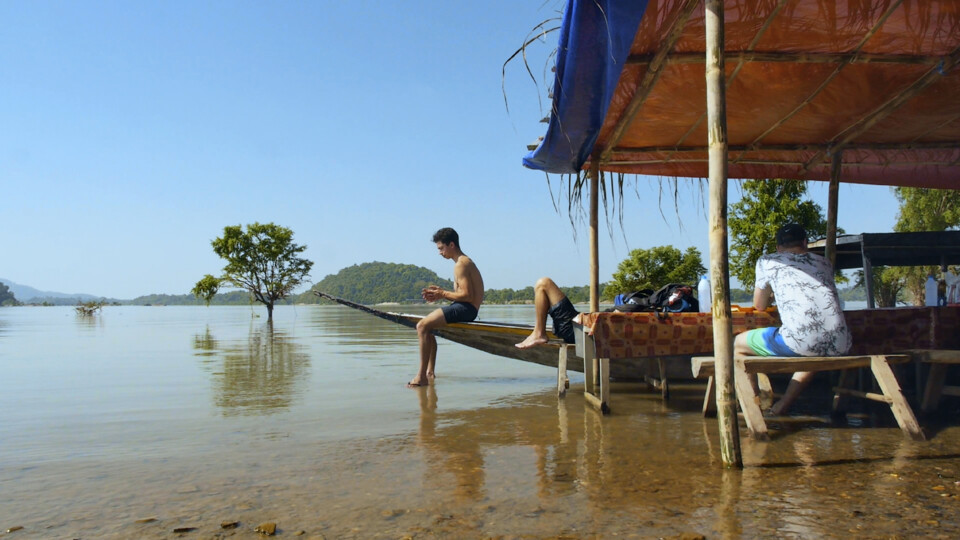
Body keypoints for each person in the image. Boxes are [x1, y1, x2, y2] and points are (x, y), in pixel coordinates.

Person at [733, 223, 852, 416]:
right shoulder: (824, 263)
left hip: (805, 343)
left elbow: (760, 305)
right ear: (805, 242)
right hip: (841, 344)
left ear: (779, 247)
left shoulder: (767, 261)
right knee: (814, 348)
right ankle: (783, 405)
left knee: (738, 344)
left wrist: (772, 296)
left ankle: (753, 409)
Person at [409, 227, 484, 388]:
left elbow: (467, 295)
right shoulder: (462, 262)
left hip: (467, 309)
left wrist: (442, 293)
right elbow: (462, 293)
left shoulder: (461, 264)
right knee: (427, 328)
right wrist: (440, 293)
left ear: (451, 245)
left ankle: (421, 377)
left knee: (421, 326)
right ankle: (429, 373)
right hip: (465, 307)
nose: (440, 253)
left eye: (441, 248)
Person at [515, 277, 581, 349]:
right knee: (542, 284)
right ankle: (538, 332)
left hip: (576, 330)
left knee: (543, 284)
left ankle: (539, 333)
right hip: (576, 328)